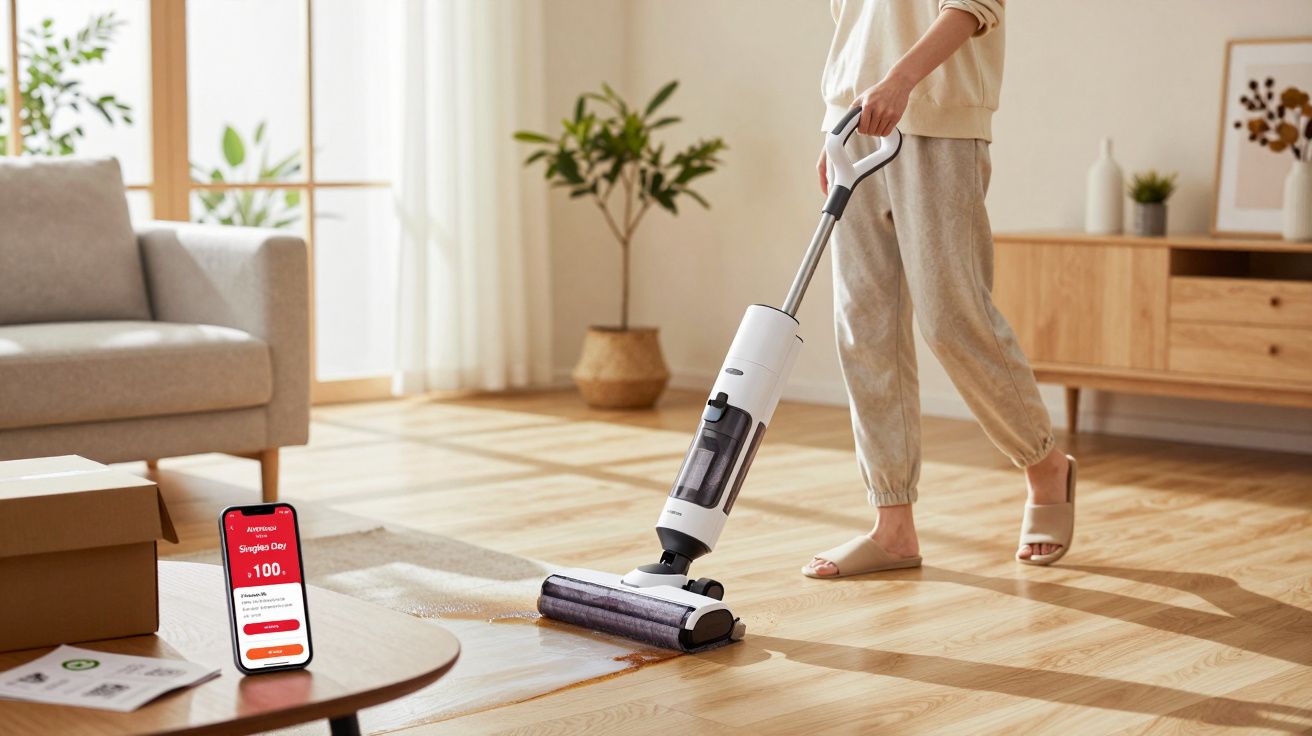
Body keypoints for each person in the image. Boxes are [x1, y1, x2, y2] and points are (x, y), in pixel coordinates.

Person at [803, 0, 1078, 578]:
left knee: (952, 318)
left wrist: (899, 82)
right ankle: (893, 525)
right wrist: (834, 123)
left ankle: (1043, 464)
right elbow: (853, 23)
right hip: (853, 124)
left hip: (937, 123)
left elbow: (971, 7)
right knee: (864, 327)